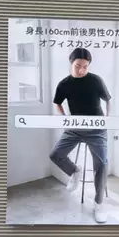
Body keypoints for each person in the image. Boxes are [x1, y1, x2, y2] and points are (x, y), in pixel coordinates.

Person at [49, 48, 111, 224]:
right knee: (55, 155)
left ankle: (99, 203)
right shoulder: (64, 84)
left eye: (85, 66)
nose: (81, 70)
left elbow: (108, 100)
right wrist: (65, 118)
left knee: (101, 164)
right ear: (71, 63)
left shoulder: (96, 80)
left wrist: (107, 119)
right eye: (78, 66)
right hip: (74, 128)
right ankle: (75, 171)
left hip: (97, 130)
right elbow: (58, 103)